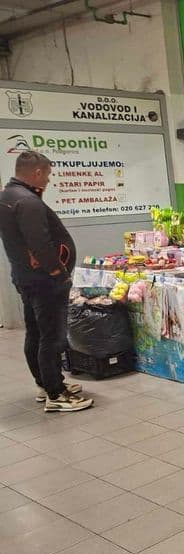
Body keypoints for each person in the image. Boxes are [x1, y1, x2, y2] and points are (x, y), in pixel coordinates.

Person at [0, 151, 93, 412]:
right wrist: (58, 273)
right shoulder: (28, 202)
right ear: (38, 172)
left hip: (26, 279)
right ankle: (56, 394)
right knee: (52, 337)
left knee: (36, 333)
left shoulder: (7, 196)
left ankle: (46, 383)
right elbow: (40, 244)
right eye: (49, 174)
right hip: (44, 282)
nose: (49, 180)